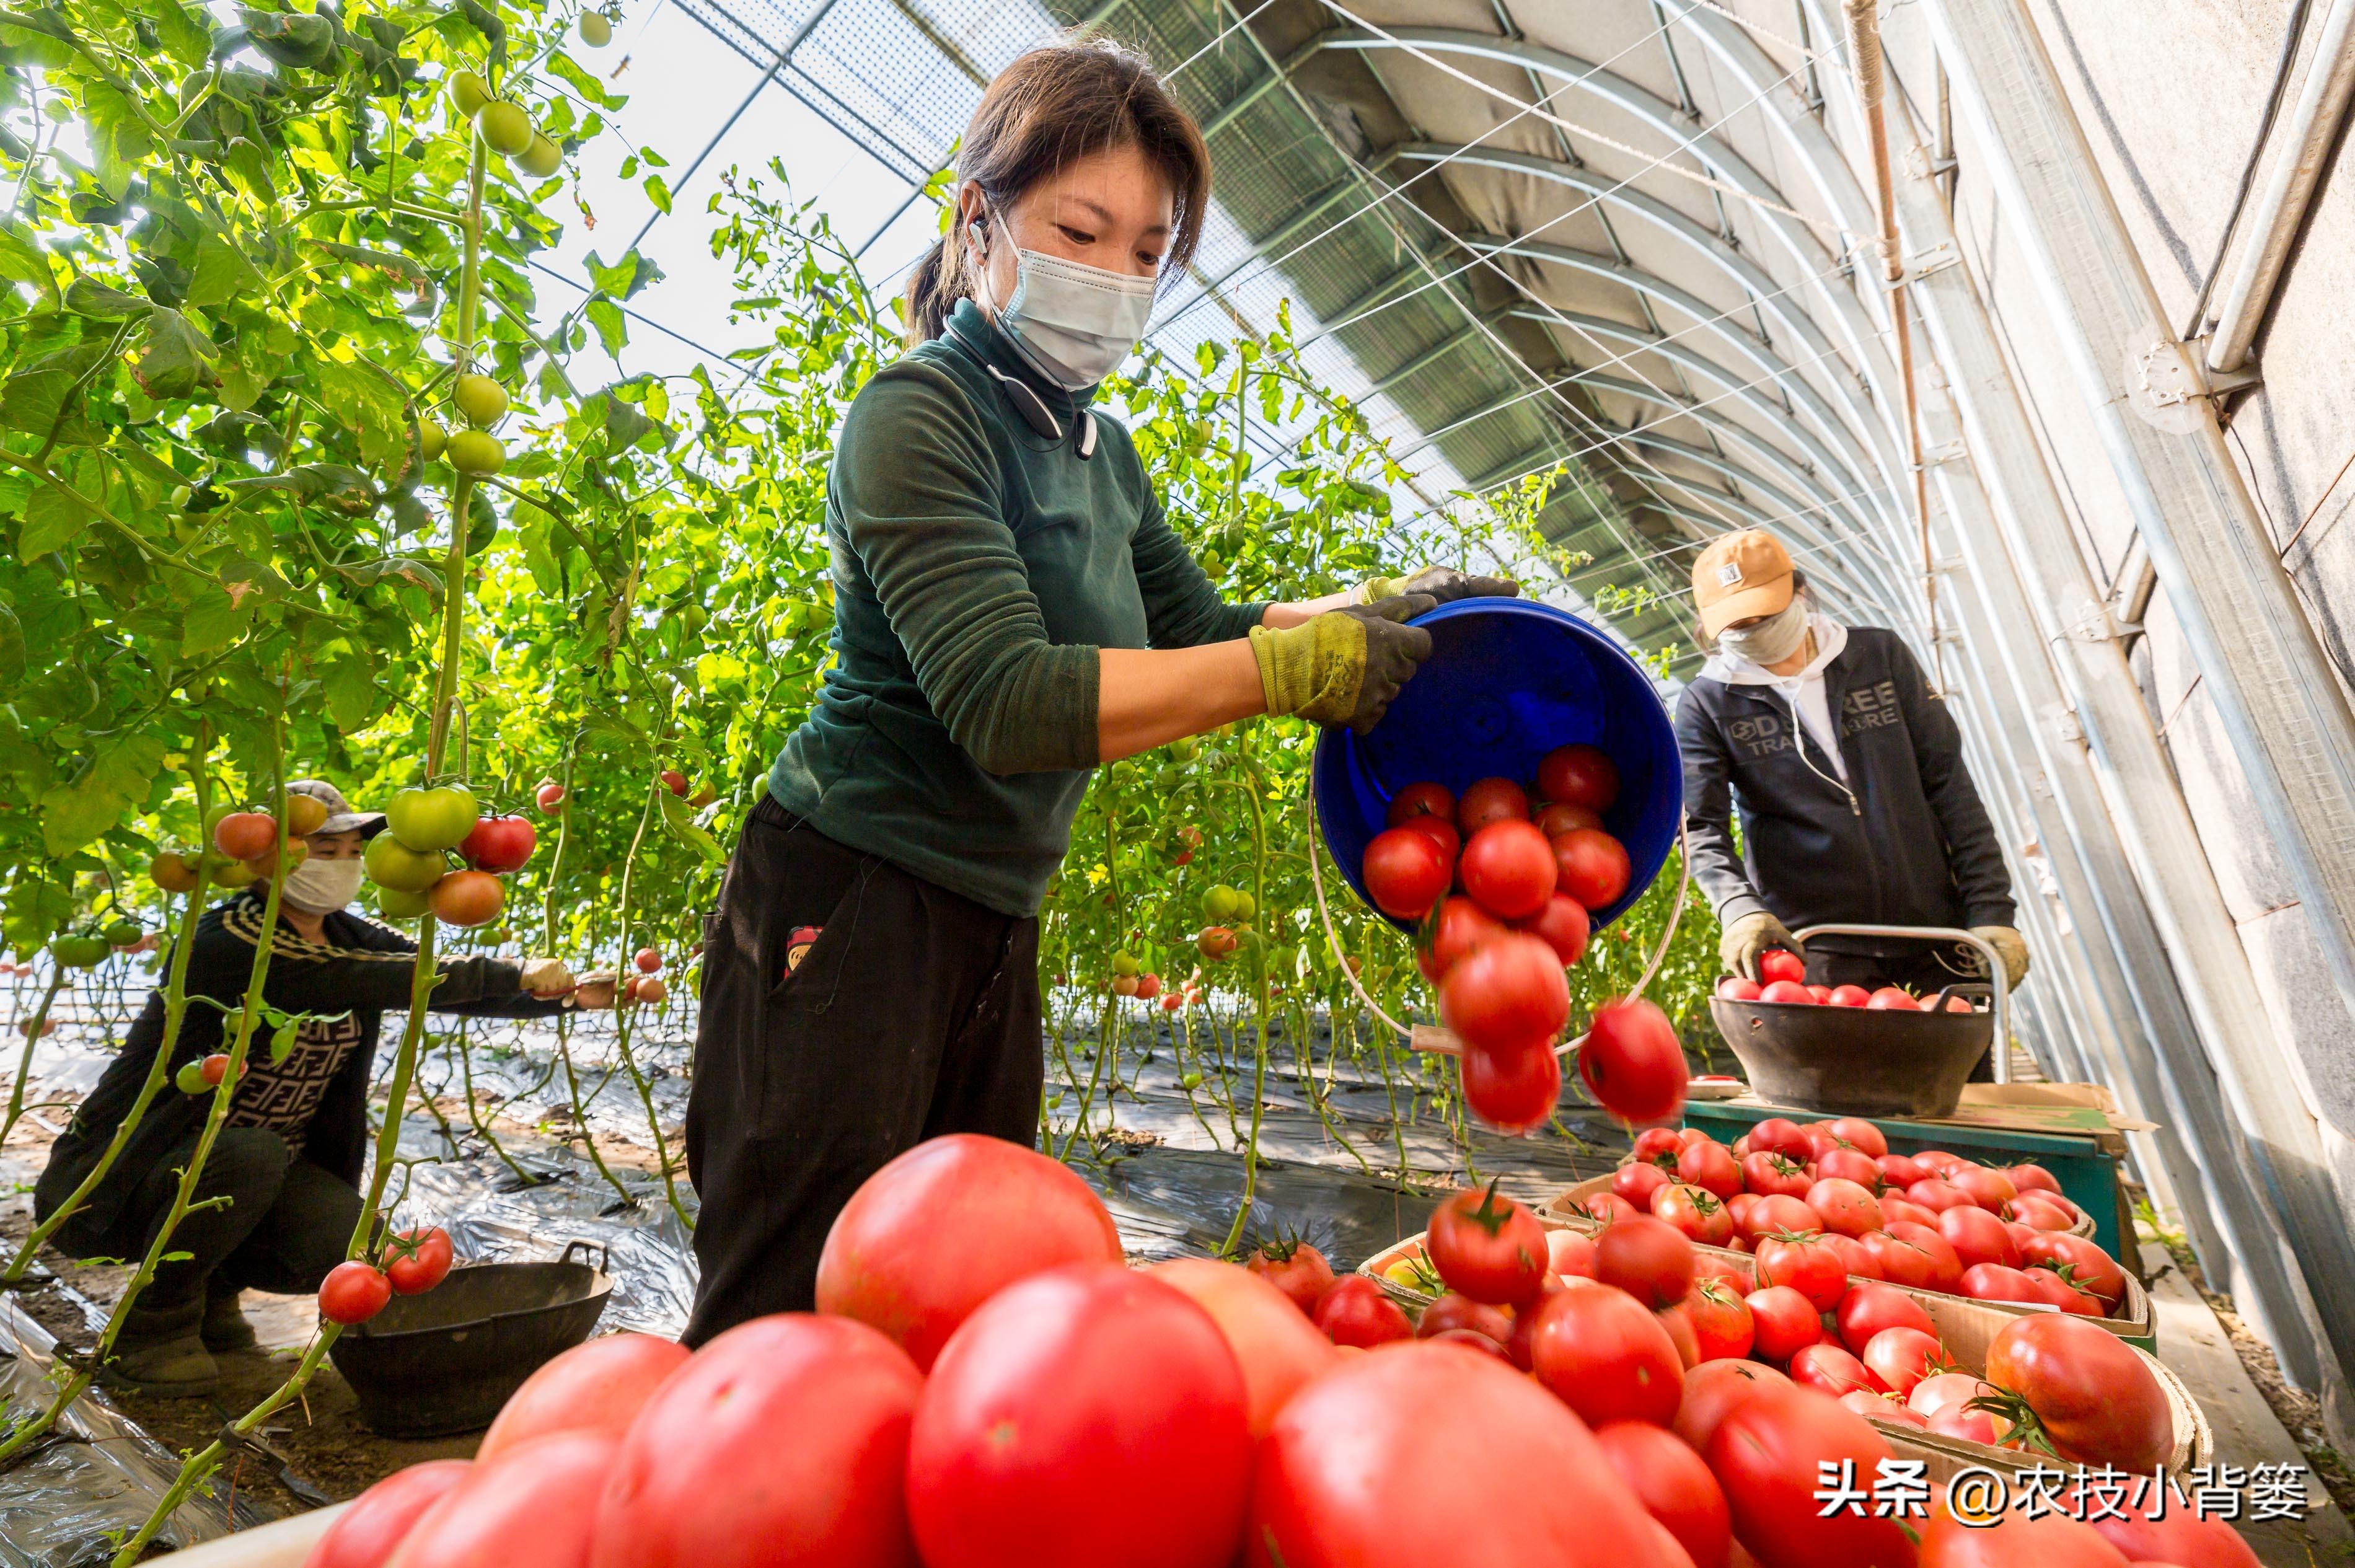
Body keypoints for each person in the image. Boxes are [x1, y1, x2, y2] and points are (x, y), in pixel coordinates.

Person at [684, 40, 1515, 1344]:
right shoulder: (918, 416)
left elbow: (1198, 632)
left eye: (1147, 251)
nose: (1116, 275)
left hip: (994, 916)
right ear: (978, 224)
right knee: (790, 1307)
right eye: (1080, 230)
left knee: (949, 1297)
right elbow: (1007, 702)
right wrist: (1287, 668)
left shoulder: (1099, 451)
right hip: (847, 904)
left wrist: (1364, 614)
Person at [35, 780, 615, 1394]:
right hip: (125, 1184)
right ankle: (151, 1328)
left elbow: (419, 975)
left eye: (350, 851)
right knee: (243, 1152)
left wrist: (568, 998)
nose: (339, 865)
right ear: (263, 857)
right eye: (320, 849)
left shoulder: (346, 933)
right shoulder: (229, 940)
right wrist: (512, 970)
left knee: (344, 1238)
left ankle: (213, 1294)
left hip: (254, 1175)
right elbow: (362, 979)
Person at [1675, 529, 2029, 1019]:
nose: (1755, 631)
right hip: (1816, 949)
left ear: (1798, 590)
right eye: (1739, 625)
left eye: (1765, 615)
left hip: (1935, 932)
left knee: (1960, 1083)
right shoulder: (1709, 703)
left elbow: (1949, 785)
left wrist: (1992, 910)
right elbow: (1701, 828)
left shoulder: (1878, 658)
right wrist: (1739, 909)